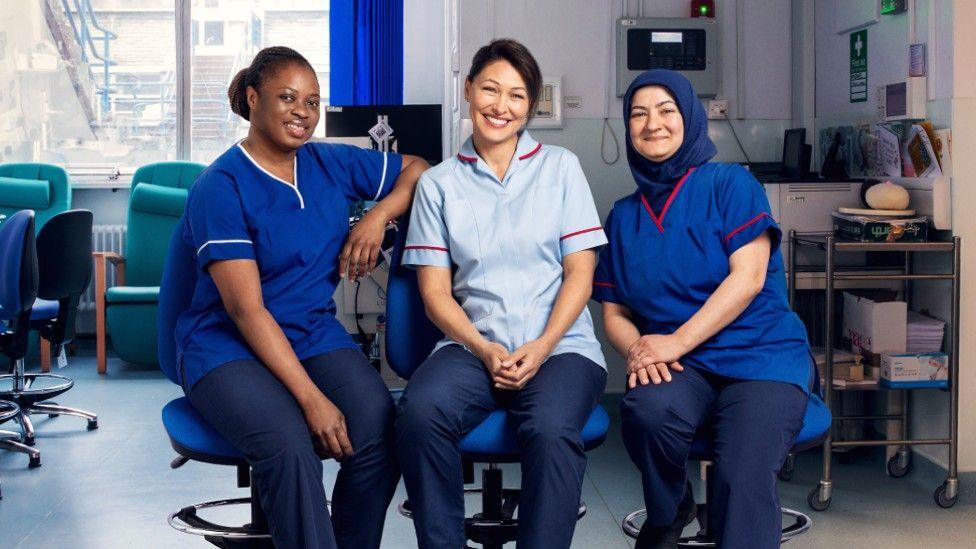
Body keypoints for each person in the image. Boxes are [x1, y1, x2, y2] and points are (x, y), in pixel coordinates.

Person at [175, 46, 427, 549]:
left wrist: (379, 216)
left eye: (312, 102)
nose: (303, 113)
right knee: (290, 445)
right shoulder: (221, 186)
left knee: (378, 428)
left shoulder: (327, 162)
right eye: (287, 97)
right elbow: (246, 310)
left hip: (311, 333)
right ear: (253, 98)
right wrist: (313, 401)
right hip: (226, 347)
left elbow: (417, 167)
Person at [394, 39, 608, 549]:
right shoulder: (439, 185)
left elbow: (581, 272)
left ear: (530, 106)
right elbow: (435, 295)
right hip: (471, 345)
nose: (500, 105)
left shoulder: (561, 167)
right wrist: (484, 348)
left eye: (516, 95)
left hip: (561, 348)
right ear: (469, 90)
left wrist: (542, 345)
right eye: (490, 89)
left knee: (552, 431)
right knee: (419, 415)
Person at [594, 69, 812, 549]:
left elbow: (749, 277)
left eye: (666, 110)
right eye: (638, 113)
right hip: (681, 366)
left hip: (761, 360)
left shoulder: (731, 184)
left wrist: (675, 341)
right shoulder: (623, 216)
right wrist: (639, 351)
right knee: (645, 412)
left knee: (741, 472)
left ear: (689, 118)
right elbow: (615, 313)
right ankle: (670, 512)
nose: (653, 123)